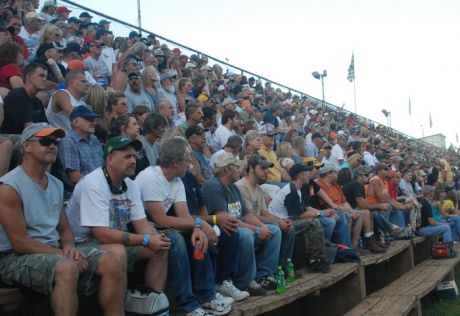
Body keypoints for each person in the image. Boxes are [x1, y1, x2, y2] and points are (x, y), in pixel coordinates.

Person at [0, 123, 125, 315]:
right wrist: (62, 254)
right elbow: (19, 242)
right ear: (26, 146)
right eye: (45, 141)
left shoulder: (56, 184)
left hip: (52, 249)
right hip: (13, 258)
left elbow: (65, 229)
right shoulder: (10, 186)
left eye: (55, 142)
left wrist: (69, 247)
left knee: (112, 261)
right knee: (67, 267)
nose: (52, 146)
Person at [65, 136, 171, 314]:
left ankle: (152, 306)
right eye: (127, 157)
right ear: (110, 160)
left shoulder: (130, 184)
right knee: (118, 251)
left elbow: (141, 223)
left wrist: (155, 239)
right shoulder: (93, 184)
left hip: (110, 240)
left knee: (160, 248)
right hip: (82, 243)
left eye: (133, 156)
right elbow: (101, 235)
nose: (133, 160)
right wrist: (146, 240)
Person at [135, 137, 231, 316]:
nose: (190, 162)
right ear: (175, 161)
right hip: (141, 229)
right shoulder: (151, 177)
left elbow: (184, 215)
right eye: (187, 158)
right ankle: (187, 304)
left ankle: (206, 296)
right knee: (177, 240)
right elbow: (160, 219)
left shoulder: (178, 180)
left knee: (199, 238)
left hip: (160, 227)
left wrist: (197, 229)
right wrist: (200, 223)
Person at [202, 152, 282, 296]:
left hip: (238, 226)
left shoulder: (232, 187)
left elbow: (246, 214)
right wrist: (257, 230)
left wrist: (262, 227)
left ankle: (264, 275)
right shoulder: (213, 186)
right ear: (227, 169)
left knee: (273, 230)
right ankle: (244, 282)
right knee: (246, 234)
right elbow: (225, 220)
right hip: (224, 232)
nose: (240, 170)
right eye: (236, 168)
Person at [267, 163, 333, 272]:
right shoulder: (291, 191)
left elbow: (302, 211)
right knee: (313, 223)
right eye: (306, 173)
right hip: (280, 222)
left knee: (315, 221)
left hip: (289, 220)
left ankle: (318, 258)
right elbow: (301, 215)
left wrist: (322, 213)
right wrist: (321, 213)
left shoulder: (297, 189)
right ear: (300, 176)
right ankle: (315, 260)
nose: (308, 175)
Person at [54, 105, 103, 197]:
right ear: (76, 122)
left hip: (98, 190)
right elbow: (74, 176)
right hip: (77, 192)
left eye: (94, 120)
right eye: (89, 120)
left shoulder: (95, 141)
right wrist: (99, 187)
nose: (94, 123)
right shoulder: (68, 142)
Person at [341, 166, 391, 253]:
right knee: (366, 212)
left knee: (370, 211)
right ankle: (369, 242)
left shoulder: (359, 185)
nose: (369, 176)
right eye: (366, 175)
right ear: (359, 177)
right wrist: (379, 206)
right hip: (345, 210)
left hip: (351, 209)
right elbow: (363, 206)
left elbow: (364, 204)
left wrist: (378, 206)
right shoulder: (355, 184)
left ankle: (372, 240)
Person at [1, 63, 48, 134]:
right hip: (10, 137)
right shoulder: (16, 96)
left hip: (28, 138)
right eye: (41, 76)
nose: (45, 80)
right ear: (28, 77)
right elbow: (29, 127)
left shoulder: (37, 102)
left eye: (46, 77)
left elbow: (45, 126)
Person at [108, 114, 150, 179]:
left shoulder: (138, 146)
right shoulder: (115, 147)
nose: (138, 127)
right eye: (134, 124)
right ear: (124, 128)